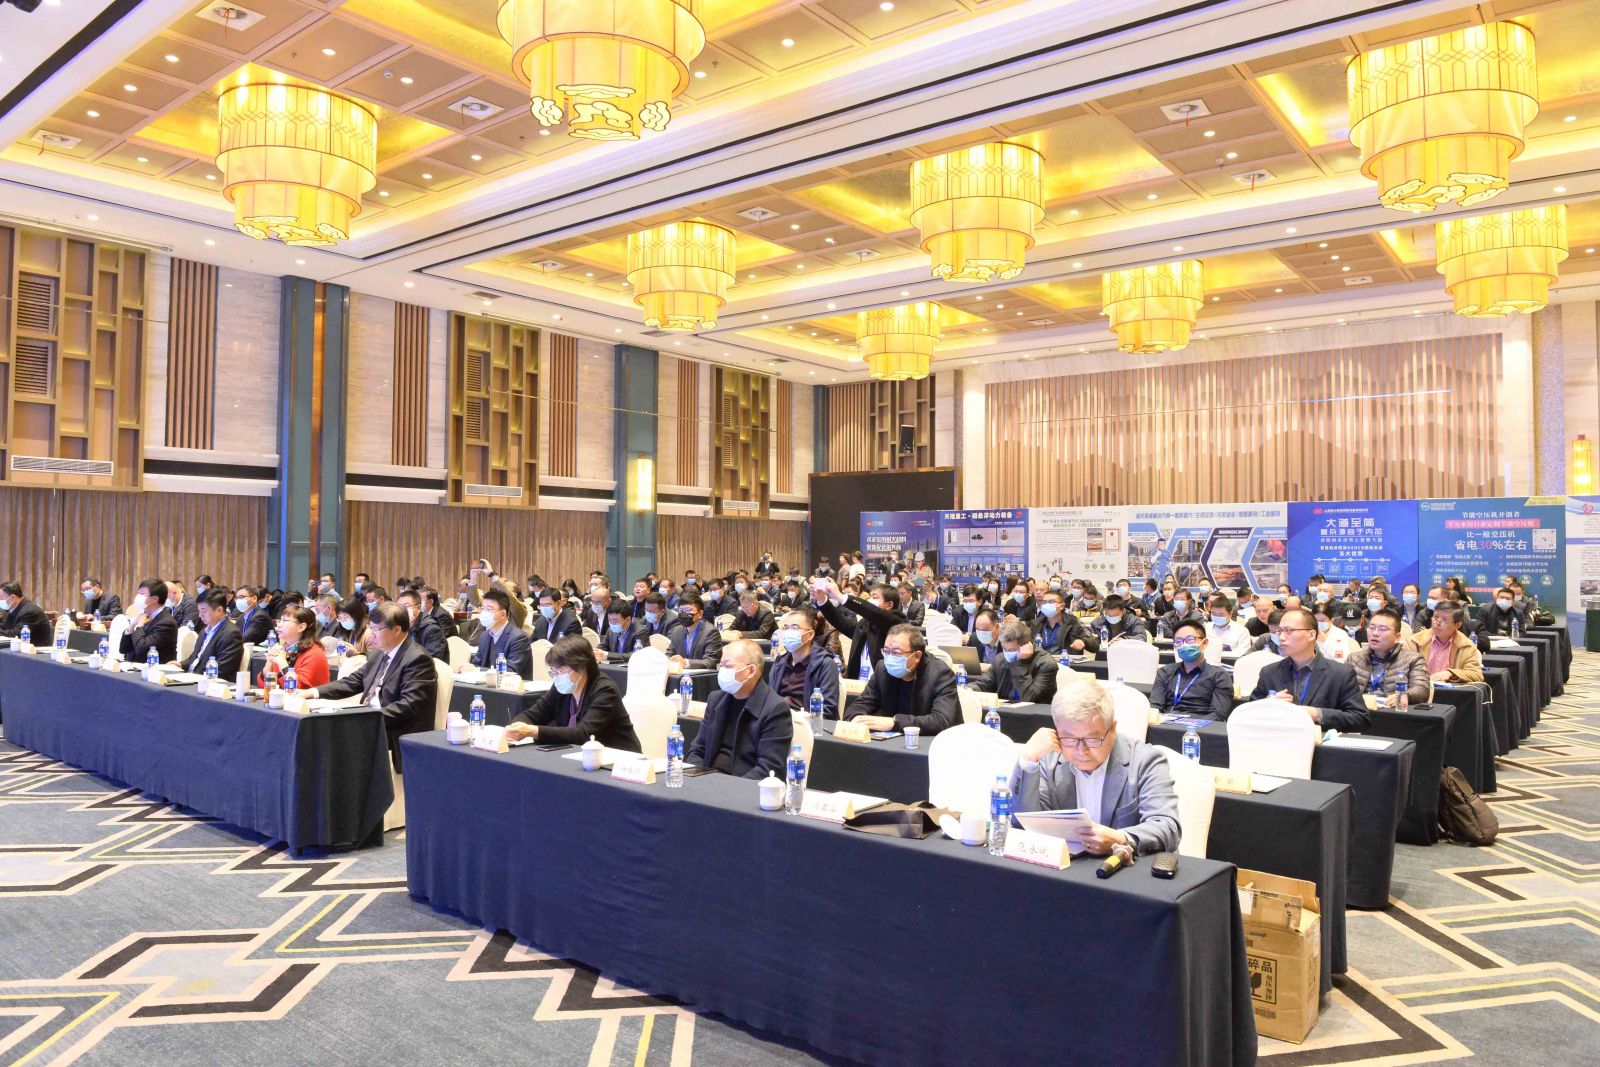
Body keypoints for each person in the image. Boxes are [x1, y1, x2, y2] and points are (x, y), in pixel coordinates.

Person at [1010, 677, 1181, 856]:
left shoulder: (1146, 760)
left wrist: (1121, 839)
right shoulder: (1049, 757)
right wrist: (1028, 759)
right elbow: (1024, 824)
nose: (1081, 750)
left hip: (1125, 868)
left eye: (1092, 739)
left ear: (1112, 729)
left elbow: (1167, 827)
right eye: (1069, 738)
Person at [303, 604, 438, 771]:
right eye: (370, 627)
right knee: (322, 730)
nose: (371, 634)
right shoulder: (379, 653)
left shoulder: (417, 659)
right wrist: (312, 692)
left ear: (396, 630)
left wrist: (365, 718)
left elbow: (409, 706)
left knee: (334, 736)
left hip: (394, 731)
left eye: (376, 629)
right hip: (372, 723)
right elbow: (353, 682)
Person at [503, 637, 640, 749]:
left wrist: (531, 731)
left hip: (618, 757)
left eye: (560, 671)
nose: (557, 676)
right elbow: (532, 714)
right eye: (553, 671)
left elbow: (583, 734)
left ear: (581, 667)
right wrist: (517, 726)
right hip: (579, 756)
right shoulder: (562, 687)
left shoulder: (605, 690)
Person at [685, 639, 794, 779]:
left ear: (751, 671)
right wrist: (698, 778)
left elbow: (769, 768)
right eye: (721, 665)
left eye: (729, 666)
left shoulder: (775, 708)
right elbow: (697, 750)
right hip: (708, 778)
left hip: (744, 785)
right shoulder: (716, 700)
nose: (723, 671)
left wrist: (731, 788)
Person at [1249, 607, 1370, 731]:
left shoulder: (1340, 674)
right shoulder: (1269, 672)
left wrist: (1318, 714)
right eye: (1280, 631)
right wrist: (1268, 703)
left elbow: (1360, 719)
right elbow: (1247, 714)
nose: (1281, 637)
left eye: (1289, 630)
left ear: (1311, 635)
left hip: (1321, 741)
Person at [845, 623, 961, 735]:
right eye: (886, 651)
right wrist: (856, 718)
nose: (889, 658)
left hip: (933, 742)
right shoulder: (882, 669)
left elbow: (941, 721)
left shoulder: (940, 674)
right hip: (893, 742)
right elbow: (860, 704)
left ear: (917, 656)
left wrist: (895, 723)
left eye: (896, 652)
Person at [1150, 619, 1232, 720]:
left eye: (1190, 640)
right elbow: (1154, 708)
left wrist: (1192, 726)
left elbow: (1218, 715)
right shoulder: (1165, 672)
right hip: (1167, 723)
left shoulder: (1219, 676)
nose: (1184, 645)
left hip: (1202, 726)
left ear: (1204, 643)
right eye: (1179, 641)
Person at [1349, 607, 1429, 708]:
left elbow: (1421, 689)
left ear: (1397, 637)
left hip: (1392, 712)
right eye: (1372, 628)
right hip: (1358, 711)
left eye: (1382, 629)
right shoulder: (1354, 659)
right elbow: (1340, 687)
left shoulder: (1413, 660)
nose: (1375, 633)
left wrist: (1405, 695)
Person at [767, 608, 841, 718]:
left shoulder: (825, 664)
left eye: (795, 627)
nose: (789, 632)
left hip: (807, 723)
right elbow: (769, 699)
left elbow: (827, 709)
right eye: (785, 628)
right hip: (778, 721)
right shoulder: (779, 662)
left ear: (810, 635)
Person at [971, 619, 1059, 704]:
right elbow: (983, 685)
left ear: (1027, 645)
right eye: (1004, 648)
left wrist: (1019, 664)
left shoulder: (1046, 664)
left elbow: (1029, 698)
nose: (1007, 653)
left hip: (1033, 713)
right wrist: (968, 690)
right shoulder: (1000, 659)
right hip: (1003, 711)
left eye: (1012, 650)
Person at [257, 605, 330, 689]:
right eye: (280, 620)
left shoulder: (315, 654)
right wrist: (269, 664)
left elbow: (297, 689)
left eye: (285, 620)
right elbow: (265, 686)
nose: (279, 625)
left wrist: (282, 664)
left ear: (301, 627)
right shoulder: (285, 649)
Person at [1408, 605, 1484, 683]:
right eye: (1435, 617)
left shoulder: (1466, 646)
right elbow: (1402, 669)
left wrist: (1451, 673)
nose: (1437, 622)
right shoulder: (1415, 641)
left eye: (1444, 619)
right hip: (1420, 688)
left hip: (1450, 690)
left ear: (1457, 625)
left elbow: (1476, 674)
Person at [467, 589, 532, 677]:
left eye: (489, 609)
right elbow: (476, 664)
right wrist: (469, 668)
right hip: (487, 682)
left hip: (511, 684)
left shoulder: (519, 638)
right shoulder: (484, 636)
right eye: (482, 609)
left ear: (502, 614)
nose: (484, 612)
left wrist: (478, 670)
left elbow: (510, 671)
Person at [180, 589, 244, 677]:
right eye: (199, 611)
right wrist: (180, 665)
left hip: (210, 682)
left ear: (219, 610)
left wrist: (193, 677)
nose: (200, 615)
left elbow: (222, 670)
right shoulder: (204, 630)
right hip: (193, 677)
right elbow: (195, 659)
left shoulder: (231, 634)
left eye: (203, 611)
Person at [120, 579, 178, 664]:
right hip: (137, 666)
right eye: (138, 593)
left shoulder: (166, 623)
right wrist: (132, 625)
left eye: (142, 594)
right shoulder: (145, 616)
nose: (138, 597)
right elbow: (124, 649)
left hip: (156, 669)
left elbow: (142, 649)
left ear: (154, 599)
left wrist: (140, 626)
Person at [1031, 590, 1099, 655]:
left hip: (1065, 660)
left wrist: (1083, 642)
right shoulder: (1036, 624)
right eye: (1044, 602)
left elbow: (1095, 644)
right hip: (1042, 661)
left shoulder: (1073, 622)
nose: (1047, 605)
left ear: (1061, 606)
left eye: (1051, 602)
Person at [397, 589, 447, 661]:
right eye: (399, 607)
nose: (402, 610)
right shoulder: (401, 626)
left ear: (418, 608)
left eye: (406, 606)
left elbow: (433, 659)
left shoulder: (432, 629)